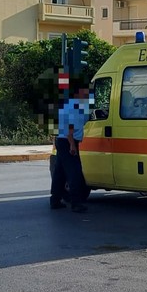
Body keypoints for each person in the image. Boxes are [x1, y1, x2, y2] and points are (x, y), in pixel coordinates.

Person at [52, 83, 91, 213]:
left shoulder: (70, 105)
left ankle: (55, 200)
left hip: (62, 140)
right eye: (84, 93)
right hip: (68, 141)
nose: (87, 96)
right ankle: (76, 203)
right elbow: (69, 128)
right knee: (75, 172)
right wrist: (72, 145)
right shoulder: (75, 107)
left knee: (60, 172)